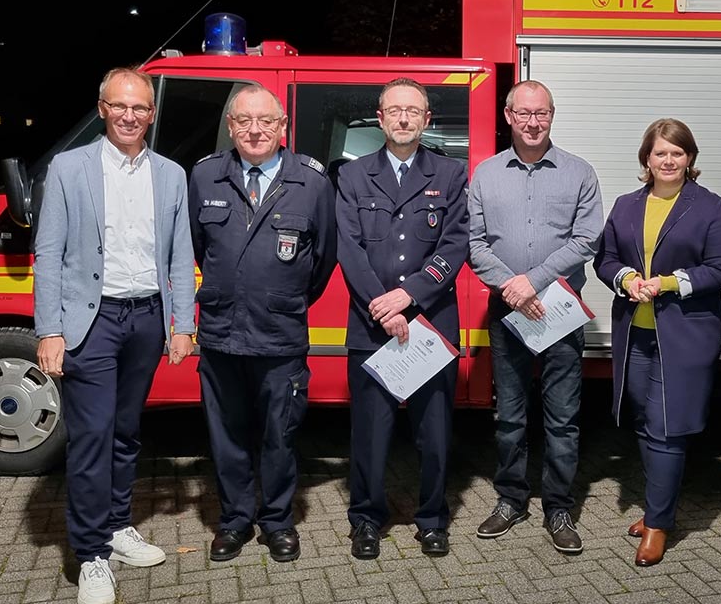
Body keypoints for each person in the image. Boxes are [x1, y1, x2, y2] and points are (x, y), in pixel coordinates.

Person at [33, 68, 196, 604]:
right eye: (120, 106)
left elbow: (179, 255)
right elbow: (49, 252)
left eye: (141, 108)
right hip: (91, 321)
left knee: (127, 431)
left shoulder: (172, 174)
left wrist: (181, 323)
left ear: (152, 113)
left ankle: (120, 525)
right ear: (102, 108)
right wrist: (50, 329)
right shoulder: (69, 168)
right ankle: (90, 553)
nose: (131, 116)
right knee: (92, 436)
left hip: (147, 319)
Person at [188, 86, 337, 564]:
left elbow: (324, 259)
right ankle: (234, 520)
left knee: (280, 435)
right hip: (220, 334)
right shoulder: (206, 176)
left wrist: (283, 299)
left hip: (280, 335)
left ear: (283, 127)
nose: (256, 130)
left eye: (267, 121)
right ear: (230, 126)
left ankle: (276, 521)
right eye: (245, 121)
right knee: (226, 435)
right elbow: (198, 247)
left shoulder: (312, 182)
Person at [336, 77, 469, 559]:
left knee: (433, 434)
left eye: (413, 110)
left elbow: (455, 245)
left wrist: (408, 297)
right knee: (370, 433)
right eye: (395, 110)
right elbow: (348, 249)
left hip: (431, 323)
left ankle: (432, 519)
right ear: (380, 117)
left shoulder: (451, 175)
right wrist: (382, 304)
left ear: (427, 119)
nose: (404, 118)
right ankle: (366, 520)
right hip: (371, 325)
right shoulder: (352, 175)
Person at [468, 80, 603, 554]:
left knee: (563, 418)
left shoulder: (579, 173)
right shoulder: (485, 174)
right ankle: (511, 499)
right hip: (506, 312)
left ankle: (559, 507)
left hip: (559, 314)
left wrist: (535, 281)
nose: (532, 122)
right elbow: (474, 244)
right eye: (523, 113)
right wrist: (513, 286)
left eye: (541, 113)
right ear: (508, 115)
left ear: (552, 116)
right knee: (509, 414)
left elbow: (587, 240)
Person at [594, 119, 721, 566]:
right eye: (660, 153)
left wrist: (672, 282)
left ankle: (657, 524)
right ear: (647, 159)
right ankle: (659, 505)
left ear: (689, 158)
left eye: (677, 153)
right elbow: (605, 258)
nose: (668, 161)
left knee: (667, 426)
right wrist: (627, 278)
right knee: (643, 420)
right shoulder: (625, 205)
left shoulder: (708, 206)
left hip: (684, 335)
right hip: (634, 333)